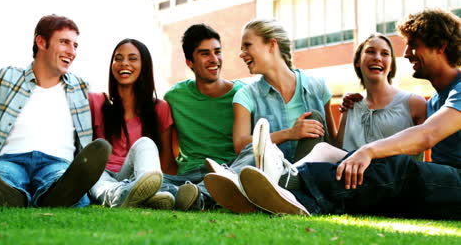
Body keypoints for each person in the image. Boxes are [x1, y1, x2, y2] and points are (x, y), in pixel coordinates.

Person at [237, 8, 461, 219]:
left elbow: (426, 136)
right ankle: (281, 187)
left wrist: (368, 150)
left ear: (440, 46)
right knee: (331, 153)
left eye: (414, 45)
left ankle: (288, 187)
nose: (406, 54)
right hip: (443, 184)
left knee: (397, 167)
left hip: (455, 182)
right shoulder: (435, 101)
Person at [204, 19, 338, 213]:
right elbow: (240, 144)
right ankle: (236, 187)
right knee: (255, 147)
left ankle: (231, 185)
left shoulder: (317, 86)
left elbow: (333, 143)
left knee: (314, 118)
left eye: (247, 46)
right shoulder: (247, 95)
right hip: (266, 177)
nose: (242, 54)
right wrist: (289, 134)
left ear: (272, 45)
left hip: (308, 179)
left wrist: (351, 110)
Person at [0, 14, 110, 208]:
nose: (71, 51)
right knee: (3, 177)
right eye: (64, 42)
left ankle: (54, 195)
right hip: (10, 159)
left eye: (75, 45)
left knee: (61, 181)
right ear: (41, 42)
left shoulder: (81, 88)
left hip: (57, 163)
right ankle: (11, 195)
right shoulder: (4, 78)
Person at [161, 24, 245, 210]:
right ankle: (192, 195)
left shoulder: (243, 95)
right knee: (148, 180)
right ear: (189, 62)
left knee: (250, 164)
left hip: (230, 170)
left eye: (217, 52)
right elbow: (170, 147)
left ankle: (193, 196)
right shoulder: (175, 97)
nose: (214, 59)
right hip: (190, 173)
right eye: (205, 54)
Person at [89, 39, 176, 208]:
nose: (124, 63)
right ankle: (126, 195)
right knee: (98, 178)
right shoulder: (96, 102)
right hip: (102, 174)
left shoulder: (160, 108)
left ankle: (145, 191)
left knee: (145, 143)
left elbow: (166, 160)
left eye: (132, 58)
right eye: (118, 58)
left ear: (144, 65)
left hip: (137, 175)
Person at [337, 33, 426, 161]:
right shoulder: (350, 105)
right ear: (357, 61)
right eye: (370, 51)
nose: (377, 58)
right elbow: (337, 153)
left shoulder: (414, 103)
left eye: (385, 53)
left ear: (391, 65)